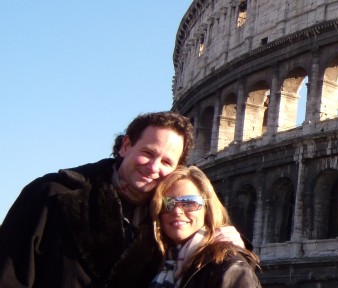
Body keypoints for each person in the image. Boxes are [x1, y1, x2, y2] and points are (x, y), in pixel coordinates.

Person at [0, 111, 243, 287]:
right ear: (126, 146)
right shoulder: (52, 195)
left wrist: (223, 242)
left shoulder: (167, 223)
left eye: (167, 162)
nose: (153, 167)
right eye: (147, 153)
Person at [148, 166, 260, 288]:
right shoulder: (153, 262)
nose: (177, 211)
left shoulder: (230, 267)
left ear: (208, 209)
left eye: (188, 202)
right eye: (167, 203)